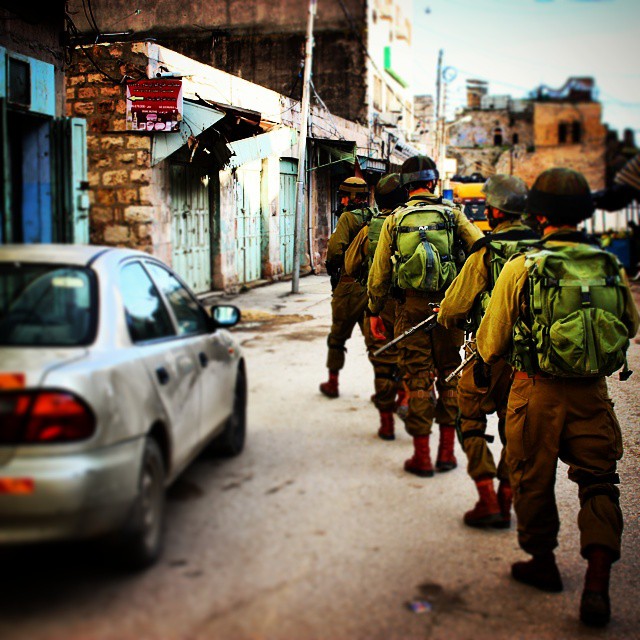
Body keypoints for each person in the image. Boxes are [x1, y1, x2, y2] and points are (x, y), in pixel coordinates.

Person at [476, 167, 639, 627]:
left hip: (535, 390)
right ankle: (597, 581)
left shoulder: (522, 266)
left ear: (539, 214)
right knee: (599, 482)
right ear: (583, 214)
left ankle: (542, 562)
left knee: (530, 477)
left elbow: (491, 342)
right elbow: (629, 326)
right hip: (592, 393)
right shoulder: (609, 264)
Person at [367, 156, 483, 476]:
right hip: (447, 310)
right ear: (433, 183)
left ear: (406, 186)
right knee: (449, 374)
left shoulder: (395, 219)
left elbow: (379, 273)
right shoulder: (453, 215)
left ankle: (421, 457)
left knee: (417, 379)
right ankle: (447, 453)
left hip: (411, 307)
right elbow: (481, 251)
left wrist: (374, 310)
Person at [438, 175, 538, 528]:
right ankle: (507, 497)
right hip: (533, 366)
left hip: (489, 358)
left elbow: (453, 308)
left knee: (469, 419)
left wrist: (450, 319)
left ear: (495, 210)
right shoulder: (545, 249)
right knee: (517, 431)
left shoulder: (487, 250)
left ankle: (487, 498)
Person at [343, 173, 408, 439]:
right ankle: (407, 399)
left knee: (382, 362)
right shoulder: (419, 222)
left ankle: (387, 424)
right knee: (414, 361)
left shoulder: (371, 227)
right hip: (414, 307)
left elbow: (350, 265)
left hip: (380, 306)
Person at [320, 177, 373, 398]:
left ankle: (333, 383)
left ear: (352, 197)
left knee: (338, 335)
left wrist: (334, 269)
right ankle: (388, 391)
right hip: (372, 287)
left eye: (344, 195)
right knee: (376, 340)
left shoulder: (346, 218)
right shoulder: (376, 216)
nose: (341, 199)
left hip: (349, 286)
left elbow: (334, 250)